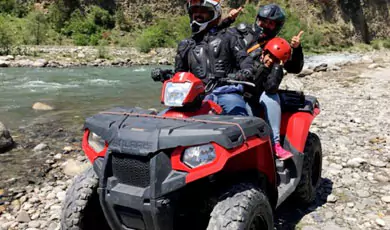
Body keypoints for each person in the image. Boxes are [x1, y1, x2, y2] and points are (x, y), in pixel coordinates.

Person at [152, 0, 254, 116]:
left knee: (238, 115)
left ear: (214, 14)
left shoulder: (229, 37)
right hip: (196, 97)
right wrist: (166, 76)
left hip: (226, 92)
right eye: (194, 11)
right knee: (162, 117)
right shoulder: (185, 45)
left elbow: (245, 59)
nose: (197, 15)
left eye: (202, 11)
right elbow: (180, 75)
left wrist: (245, 71)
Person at [236, 37, 294, 160]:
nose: (270, 60)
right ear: (264, 52)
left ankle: (275, 145)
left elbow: (271, 88)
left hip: (262, 97)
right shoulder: (251, 59)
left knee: (272, 97)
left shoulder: (276, 69)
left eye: (275, 60)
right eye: (270, 56)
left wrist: (277, 69)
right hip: (247, 97)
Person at [224, 4, 304, 74]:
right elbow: (216, 37)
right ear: (258, 19)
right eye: (263, 20)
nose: (265, 25)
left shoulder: (275, 45)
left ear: (277, 26)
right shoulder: (241, 31)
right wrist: (228, 20)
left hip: (252, 85)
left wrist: (297, 49)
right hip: (227, 78)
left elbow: (294, 69)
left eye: (270, 23)